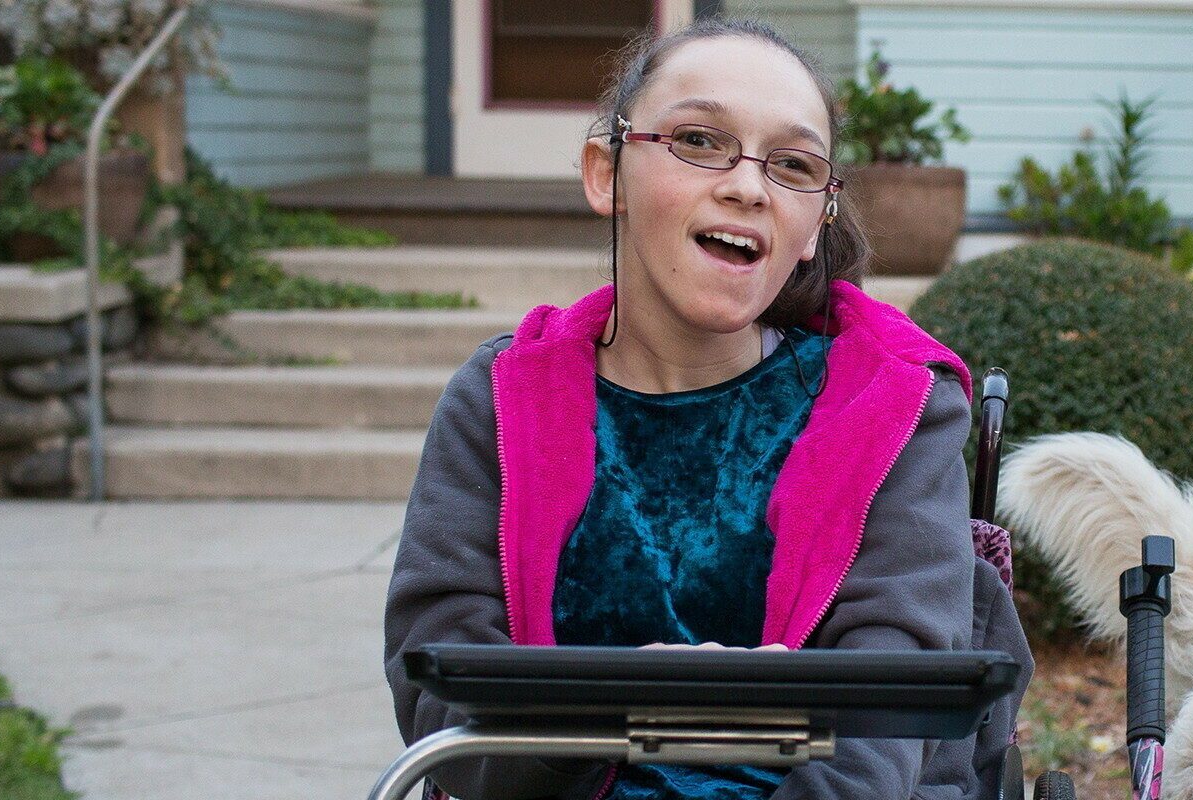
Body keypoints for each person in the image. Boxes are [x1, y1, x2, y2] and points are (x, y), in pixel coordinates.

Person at [382, 18, 1025, 800]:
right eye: (697, 140)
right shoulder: (500, 403)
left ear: (815, 225)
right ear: (605, 175)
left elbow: (891, 709)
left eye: (792, 165)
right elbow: (440, 692)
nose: (748, 186)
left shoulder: (892, 410)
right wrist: (609, 712)